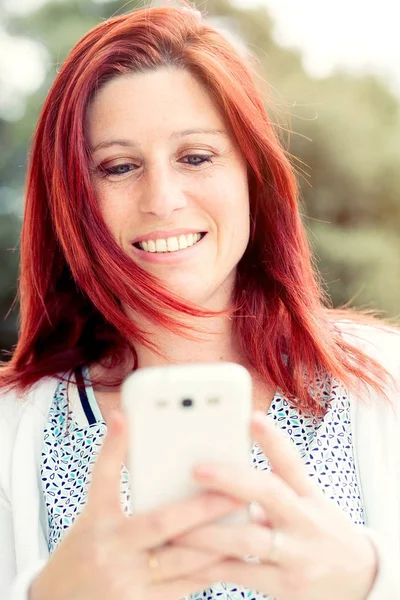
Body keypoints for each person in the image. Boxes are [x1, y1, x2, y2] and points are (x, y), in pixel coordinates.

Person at [0, 3, 399, 599]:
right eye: (118, 166)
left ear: (252, 175)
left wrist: (369, 576)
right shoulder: (16, 427)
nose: (162, 198)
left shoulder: (380, 376)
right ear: (72, 199)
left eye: (196, 157)